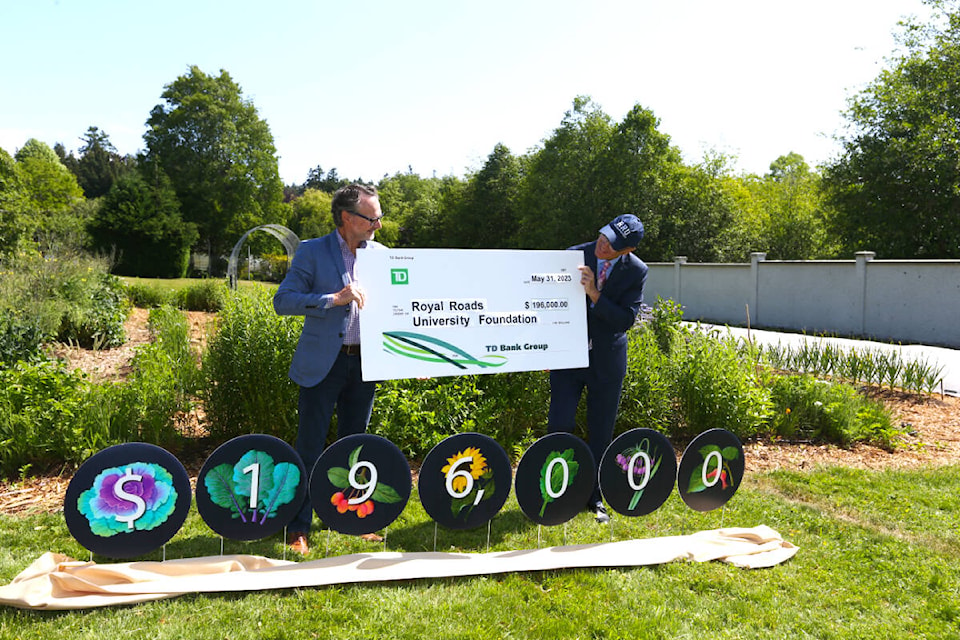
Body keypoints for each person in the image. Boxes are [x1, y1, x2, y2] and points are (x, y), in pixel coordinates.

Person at [273, 183, 385, 554]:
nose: (378, 226)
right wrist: (333, 299)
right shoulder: (312, 252)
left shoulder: (382, 256)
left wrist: (411, 356)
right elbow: (283, 301)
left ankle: (350, 519)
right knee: (309, 446)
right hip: (324, 364)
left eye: (379, 217)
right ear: (347, 218)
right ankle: (298, 528)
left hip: (366, 363)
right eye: (372, 218)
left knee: (355, 447)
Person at [547, 214, 648, 524]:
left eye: (611, 245)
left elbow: (625, 320)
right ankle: (555, 491)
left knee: (601, 430)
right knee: (559, 424)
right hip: (569, 355)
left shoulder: (637, 271)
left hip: (607, 359)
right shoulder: (571, 255)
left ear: (627, 250)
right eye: (602, 237)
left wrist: (594, 294)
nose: (602, 245)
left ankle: (594, 497)